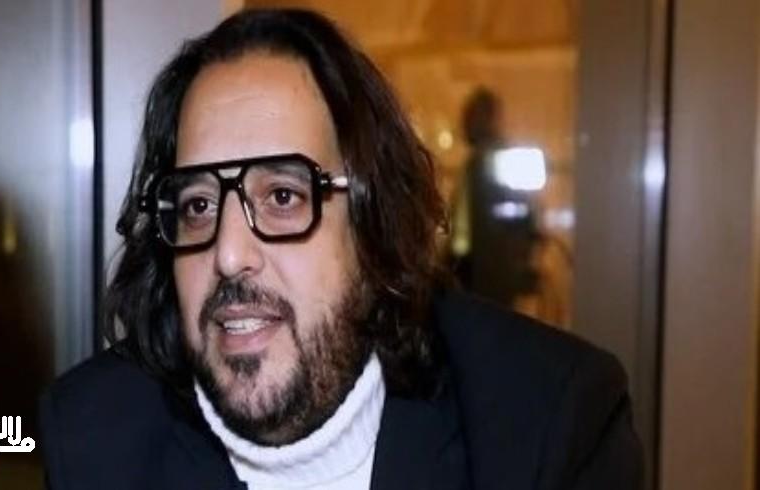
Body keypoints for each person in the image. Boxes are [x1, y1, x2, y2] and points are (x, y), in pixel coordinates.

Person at [38, 8, 642, 490]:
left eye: (281, 196)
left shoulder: (546, 422)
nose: (228, 254)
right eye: (197, 206)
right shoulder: (93, 439)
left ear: (371, 222)